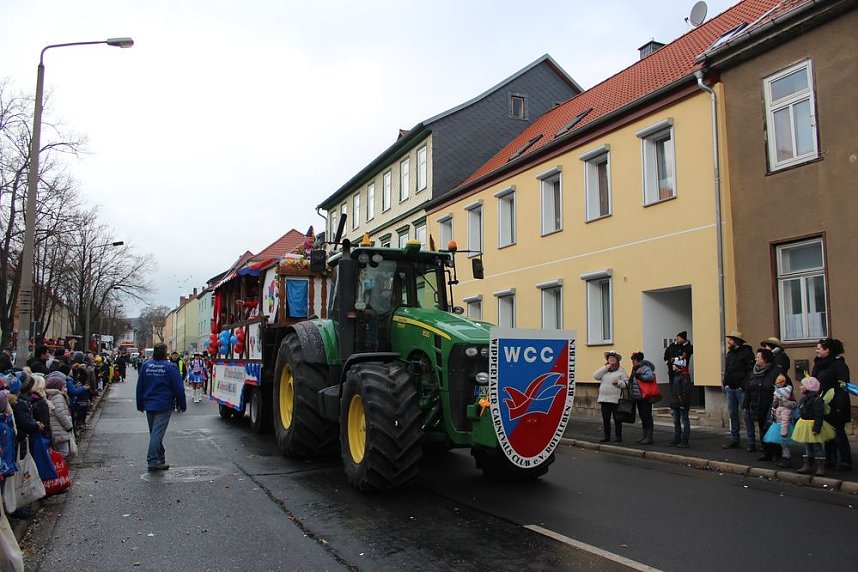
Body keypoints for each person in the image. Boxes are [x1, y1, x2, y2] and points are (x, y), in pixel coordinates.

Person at [137, 343, 186, 472]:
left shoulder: (146, 365)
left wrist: (140, 403)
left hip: (149, 403)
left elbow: (140, 385)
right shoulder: (170, 367)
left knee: (154, 433)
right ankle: (153, 460)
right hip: (164, 404)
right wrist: (181, 403)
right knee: (157, 433)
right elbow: (178, 387)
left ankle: (160, 457)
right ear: (165, 353)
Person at [811, 338, 851, 471]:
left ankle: (845, 461)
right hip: (823, 404)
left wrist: (840, 406)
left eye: (819, 348)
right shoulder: (819, 365)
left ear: (827, 350)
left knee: (838, 434)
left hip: (836, 405)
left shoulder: (839, 365)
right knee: (827, 434)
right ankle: (830, 458)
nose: (816, 350)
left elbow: (842, 386)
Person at [792, 376, 836, 476]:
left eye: (803, 385)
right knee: (808, 445)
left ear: (809, 387)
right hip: (805, 424)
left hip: (813, 425)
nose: (800, 387)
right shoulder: (804, 398)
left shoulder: (817, 400)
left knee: (817, 446)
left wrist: (817, 428)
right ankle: (807, 465)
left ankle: (820, 467)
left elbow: (819, 415)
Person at [744, 348, 780, 461]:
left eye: (758, 357)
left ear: (765, 359)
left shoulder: (775, 372)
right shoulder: (754, 372)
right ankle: (766, 452)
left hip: (771, 406)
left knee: (772, 429)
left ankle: (776, 453)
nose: (756, 359)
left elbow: (783, 388)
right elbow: (748, 388)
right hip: (757, 405)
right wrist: (747, 403)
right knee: (762, 429)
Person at [721, 331, 755, 450]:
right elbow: (727, 370)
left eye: (730, 339)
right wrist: (725, 384)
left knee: (746, 414)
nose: (728, 341)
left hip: (741, 389)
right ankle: (735, 439)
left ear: (736, 341)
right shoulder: (730, 354)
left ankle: (751, 441)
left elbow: (749, 371)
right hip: (730, 387)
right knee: (732, 414)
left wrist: (742, 385)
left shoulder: (746, 353)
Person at [763, 374, 797, 468]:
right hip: (778, 425)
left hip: (782, 427)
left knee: (784, 445)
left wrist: (784, 432)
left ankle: (786, 459)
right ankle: (783, 458)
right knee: (782, 445)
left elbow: (785, 420)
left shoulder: (783, 407)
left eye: (775, 396)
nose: (774, 397)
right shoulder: (777, 406)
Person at [594, 351, 629, 443]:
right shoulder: (604, 370)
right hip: (604, 399)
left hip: (615, 399)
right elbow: (596, 376)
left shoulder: (621, 371)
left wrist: (618, 383)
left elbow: (626, 383)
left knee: (617, 419)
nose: (612, 360)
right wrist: (605, 368)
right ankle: (606, 436)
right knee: (606, 419)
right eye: (610, 358)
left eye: (613, 358)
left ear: (617, 360)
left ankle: (618, 437)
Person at [629, 351, 657, 445]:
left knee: (646, 416)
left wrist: (640, 376)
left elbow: (650, 377)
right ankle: (645, 435)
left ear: (637, 360)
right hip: (638, 396)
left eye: (633, 361)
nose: (632, 362)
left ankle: (649, 437)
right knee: (642, 416)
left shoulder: (645, 368)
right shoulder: (636, 369)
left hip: (645, 396)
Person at [45, 373, 75, 458]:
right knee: (63, 452)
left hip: (56, 429)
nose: (65, 388)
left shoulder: (51, 396)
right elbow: (60, 413)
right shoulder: (58, 396)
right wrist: (69, 426)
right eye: (64, 386)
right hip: (59, 429)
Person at [669, 351, 692, 448]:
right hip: (676, 402)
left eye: (674, 365)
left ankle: (685, 439)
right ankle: (677, 437)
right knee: (676, 420)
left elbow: (685, 391)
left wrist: (683, 403)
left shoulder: (684, 377)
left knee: (684, 420)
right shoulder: (676, 376)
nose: (672, 366)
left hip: (681, 403)